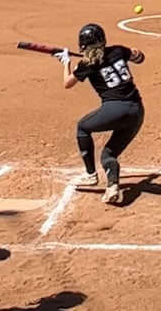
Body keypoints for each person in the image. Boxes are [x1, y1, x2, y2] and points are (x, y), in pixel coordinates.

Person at [60, 23, 146, 206]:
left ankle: (90, 174)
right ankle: (112, 185)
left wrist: (66, 63)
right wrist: (136, 53)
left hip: (115, 110)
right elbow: (139, 57)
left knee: (83, 127)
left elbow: (67, 83)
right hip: (137, 111)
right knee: (108, 154)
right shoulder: (118, 51)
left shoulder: (86, 64)